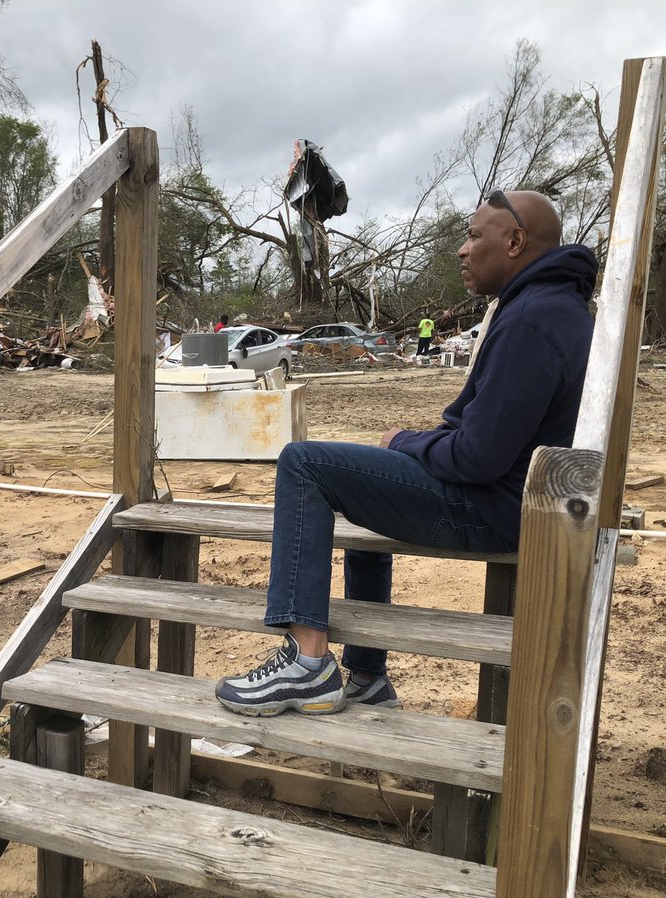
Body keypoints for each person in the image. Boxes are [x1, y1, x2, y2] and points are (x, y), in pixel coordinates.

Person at [215, 190, 598, 716]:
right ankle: (368, 675)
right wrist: (416, 446)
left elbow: (479, 457)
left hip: (498, 508)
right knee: (364, 482)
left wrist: (404, 441)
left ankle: (307, 664)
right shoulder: (552, 307)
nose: (462, 250)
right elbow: (482, 438)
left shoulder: (534, 318)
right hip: (522, 500)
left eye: (472, 235)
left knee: (303, 463)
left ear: (514, 241)